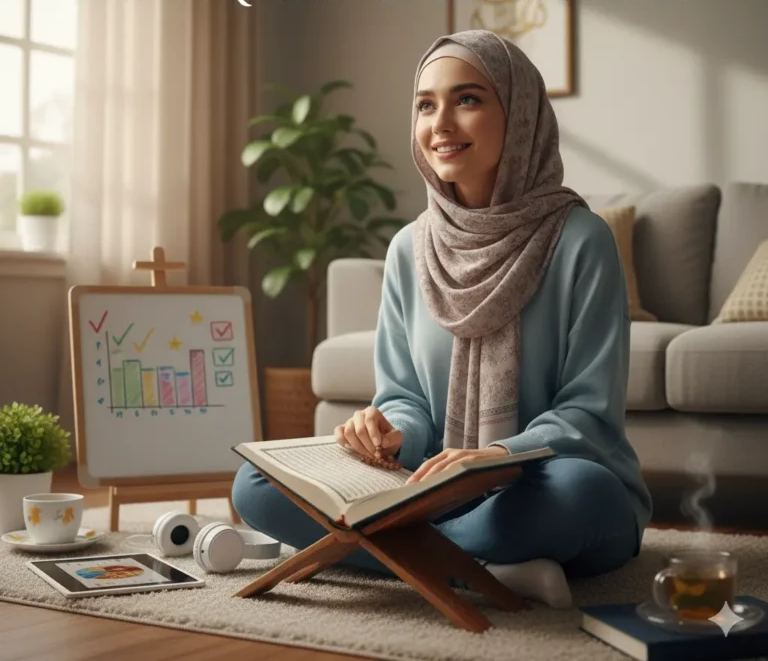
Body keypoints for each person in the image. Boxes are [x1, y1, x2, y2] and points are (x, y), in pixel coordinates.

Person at [232, 30, 653, 609]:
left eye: (469, 99)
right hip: (433, 491)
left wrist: (500, 456)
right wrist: (390, 430)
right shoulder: (410, 247)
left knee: (581, 495)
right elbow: (405, 396)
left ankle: (394, 553)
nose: (441, 123)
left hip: (539, 485)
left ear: (520, 114)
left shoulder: (581, 240)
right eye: (426, 104)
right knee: (256, 484)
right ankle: (486, 567)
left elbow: (589, 414)